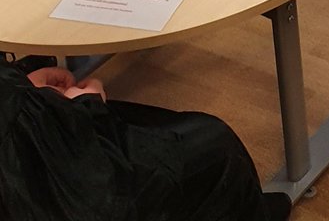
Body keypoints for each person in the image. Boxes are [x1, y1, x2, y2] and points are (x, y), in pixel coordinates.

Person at [0, 62, 291, 220]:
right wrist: (85, 107)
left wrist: (25, 85)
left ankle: (248, 205)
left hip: (30, 130)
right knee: (214, 143)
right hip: (46, 173)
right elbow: (91, 197)